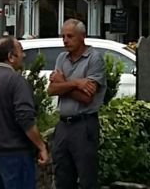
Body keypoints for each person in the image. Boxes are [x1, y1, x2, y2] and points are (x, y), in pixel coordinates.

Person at [0, 36, 47, 189]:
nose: (24, 55)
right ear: (11, 56)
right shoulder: (16, 81)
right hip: (15, 154)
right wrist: (41, 146)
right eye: (20, 51)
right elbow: (25, 118)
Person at [47, 19, 103, 189]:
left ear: (82, 37)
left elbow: (87, 98)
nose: (65, 40)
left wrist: (63, 82)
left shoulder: (94, 59)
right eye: (63, 36)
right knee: (62, 177)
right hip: (63, 125)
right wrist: (76, 83)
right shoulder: (61, 58)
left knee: (87, 178)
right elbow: (51, 90)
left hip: (84, 124)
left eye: (70, 36)